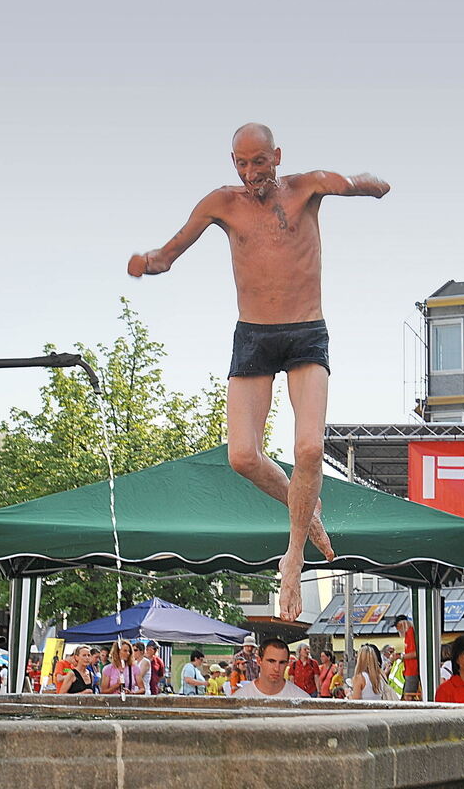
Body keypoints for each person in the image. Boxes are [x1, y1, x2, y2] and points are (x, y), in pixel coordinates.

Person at [127, 123, 390, 622]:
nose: (251, 174)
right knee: (242, 456)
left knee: (310, 447)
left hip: (306, 331)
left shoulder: (307, 187)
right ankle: (305, 508)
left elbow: (353, 181)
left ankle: (293, 556)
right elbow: (169, 252)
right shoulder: (221, 203)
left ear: (277, 156)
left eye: (260, 163)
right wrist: (148, 262)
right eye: (242, 164)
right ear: (232, 162)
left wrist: (369, 184)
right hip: (253, 335)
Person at [235, 638, 310, 699]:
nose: (276, 668)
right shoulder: (240, 697)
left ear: (287, 664)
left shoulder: (302, 698)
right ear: (259, 661)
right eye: (271, 661)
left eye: (282, 662)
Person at [393, 615, 420, 700]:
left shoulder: (411, 633)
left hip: (412, 670)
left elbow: (416, 653)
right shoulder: (408, 635)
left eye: (398, 626)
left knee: (408, 696)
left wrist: (401, 656)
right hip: (409, 670)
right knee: (407, 695)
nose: (398, 629)